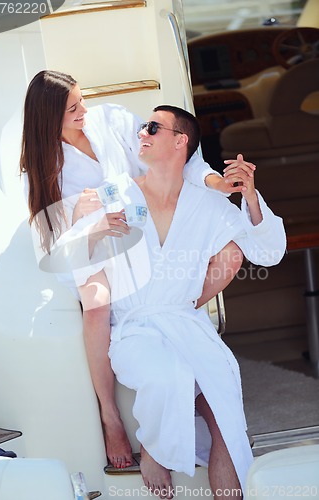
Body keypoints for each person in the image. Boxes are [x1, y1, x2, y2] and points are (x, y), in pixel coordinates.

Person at [19, 70, 249, 469]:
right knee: (97, 302)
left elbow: (174, 154)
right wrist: (80, 209)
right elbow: (49, 228)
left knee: (228, 253)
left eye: (82, 100)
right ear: (47, 117)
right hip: (94, 239)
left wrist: (214, 182)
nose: (84, 111)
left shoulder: (112, 120)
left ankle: (182, 305)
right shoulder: (41, 165)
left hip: (145, 224)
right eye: (73, 108)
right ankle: (110, 415)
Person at [100, 105, 287, 498]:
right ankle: (154, 447)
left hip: (187, 325)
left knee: (228, 422)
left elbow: (267, 253)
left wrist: (250, 196)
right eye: (141, 128)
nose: (142, 134)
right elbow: (78, 250)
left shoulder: (207, 204)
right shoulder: (117, 191)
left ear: (181, 140)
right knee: (166, 377)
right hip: (136, 330)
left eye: (153, 127)